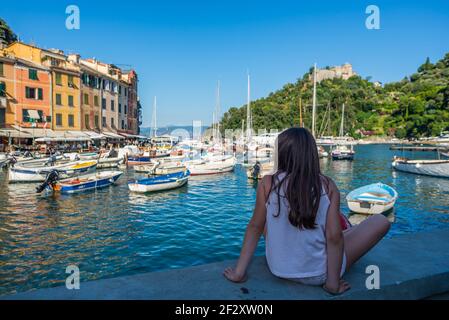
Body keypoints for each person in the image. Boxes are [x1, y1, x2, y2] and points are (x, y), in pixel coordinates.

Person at [223, 127, 390, 295]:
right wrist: (332, 283)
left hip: (278, 268)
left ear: (281, 154)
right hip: (319, 274)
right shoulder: (327, 186)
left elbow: (255, 227)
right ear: (310, 154)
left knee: (265, 219)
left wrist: (239, 272)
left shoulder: (267, 183)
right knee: (380, 221)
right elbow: (334, 238)